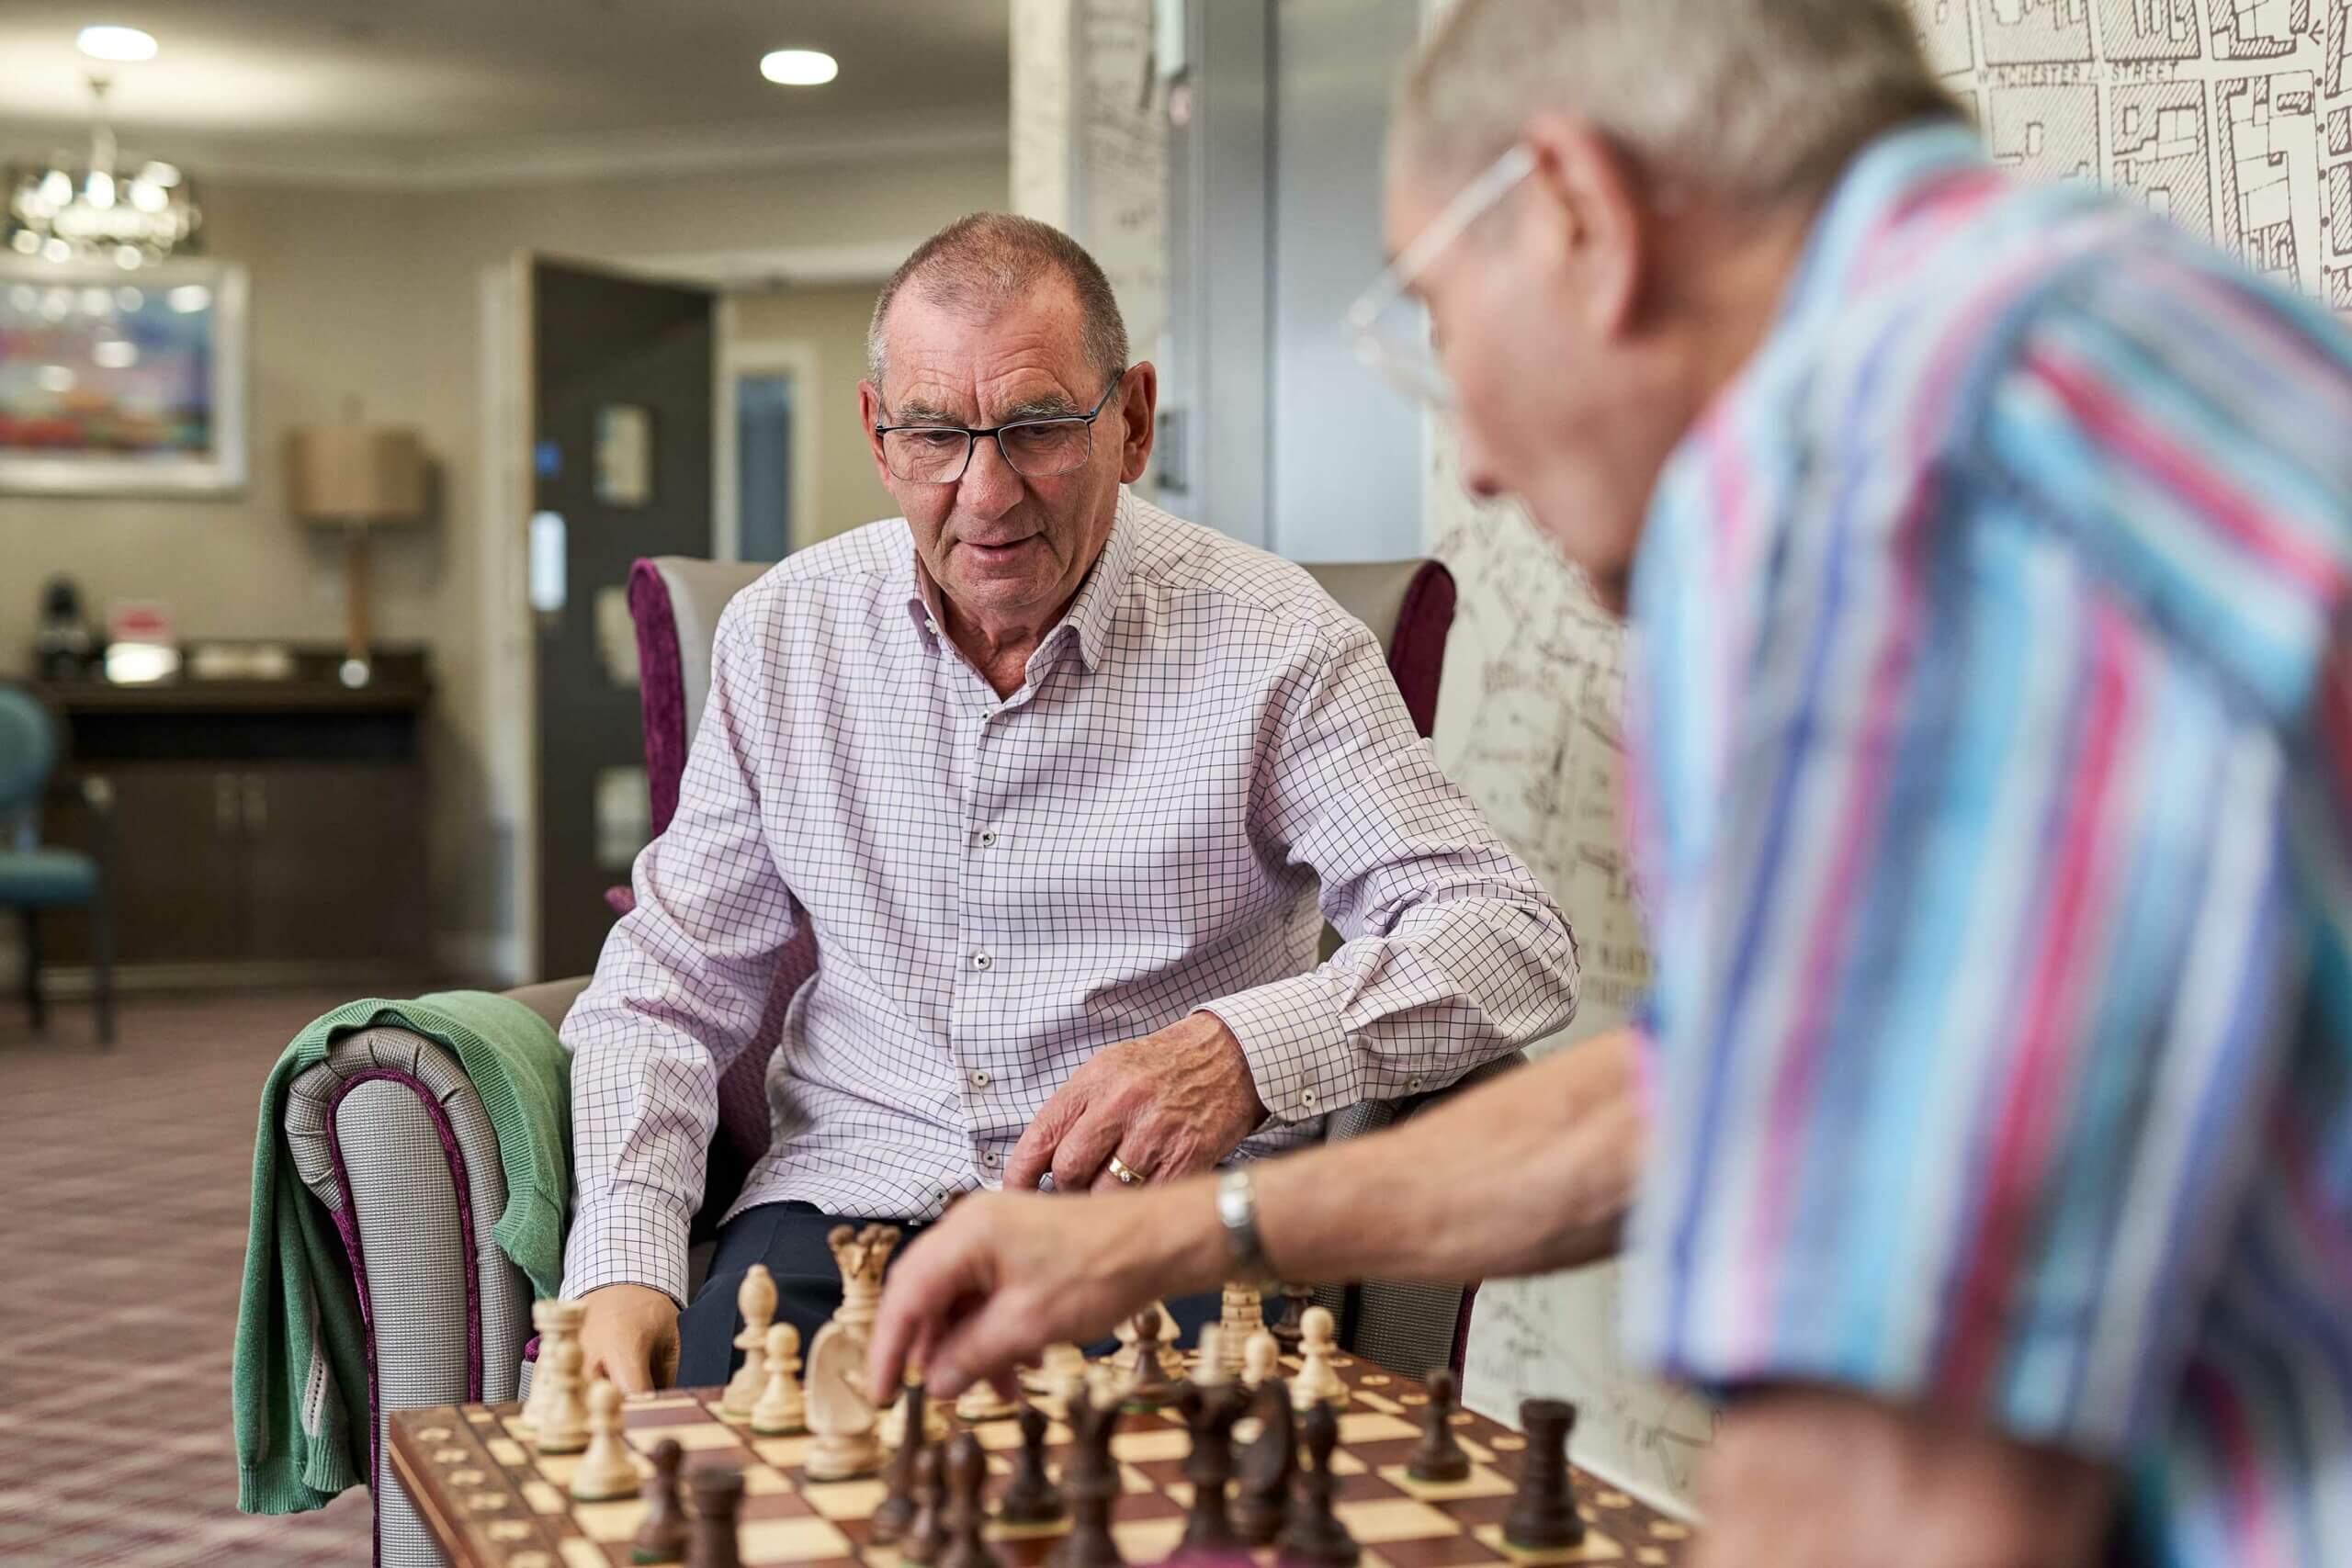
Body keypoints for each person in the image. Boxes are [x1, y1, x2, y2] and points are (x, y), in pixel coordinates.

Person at [865, 5, 2352, 1566]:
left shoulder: (1868, 486)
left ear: (1577, 212)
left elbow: (1895, 1498)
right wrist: (1184, 1231)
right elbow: (1723, 1082)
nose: (1482, 467)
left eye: (1436, 314)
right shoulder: (2113, 314)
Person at [561, 213, 1581, 1393]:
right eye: (937, 434)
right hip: (836, 1203)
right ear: (877, 436)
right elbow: (668, 984)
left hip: (1154, 1234)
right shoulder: (783, 635)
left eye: (1038, 428)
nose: (985, 494)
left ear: (1131, 420)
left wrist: (1239, 1054)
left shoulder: (1279, 645)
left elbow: (1512, 942)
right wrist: (627, 1257)